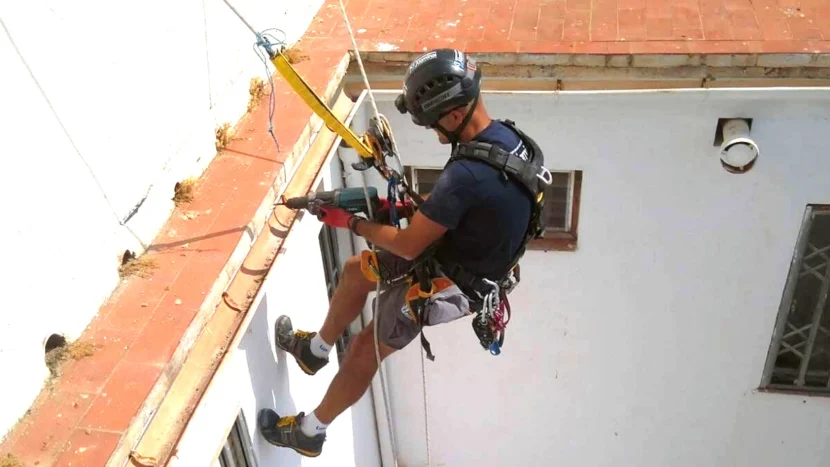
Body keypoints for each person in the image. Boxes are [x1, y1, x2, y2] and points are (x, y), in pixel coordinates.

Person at [258, 48, 547, 458]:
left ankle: (310, 431)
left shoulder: (465, 176)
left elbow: (410, 243)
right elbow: (473, 203)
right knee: (359, 271)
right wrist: (418, 211)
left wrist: (352, 223)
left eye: (433, 125)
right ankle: (314, 351)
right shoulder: (508, 140)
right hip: (457, 251)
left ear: (453, 113)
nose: (435, 134)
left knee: (365, 347)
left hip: (452, 283)